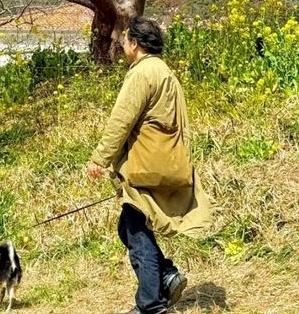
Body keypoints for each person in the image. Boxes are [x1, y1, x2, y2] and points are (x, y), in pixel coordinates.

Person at [87, 17, 212, 314]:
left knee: (135, 230)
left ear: (136, 44)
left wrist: (99, 159)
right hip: (165, 161)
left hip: (144, 165)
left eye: (126, 41)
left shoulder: (142, 74)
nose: (123, 46)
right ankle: (166, 275)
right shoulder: (166, 73)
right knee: (129, 226)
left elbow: (121, 120)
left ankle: (151, 305)